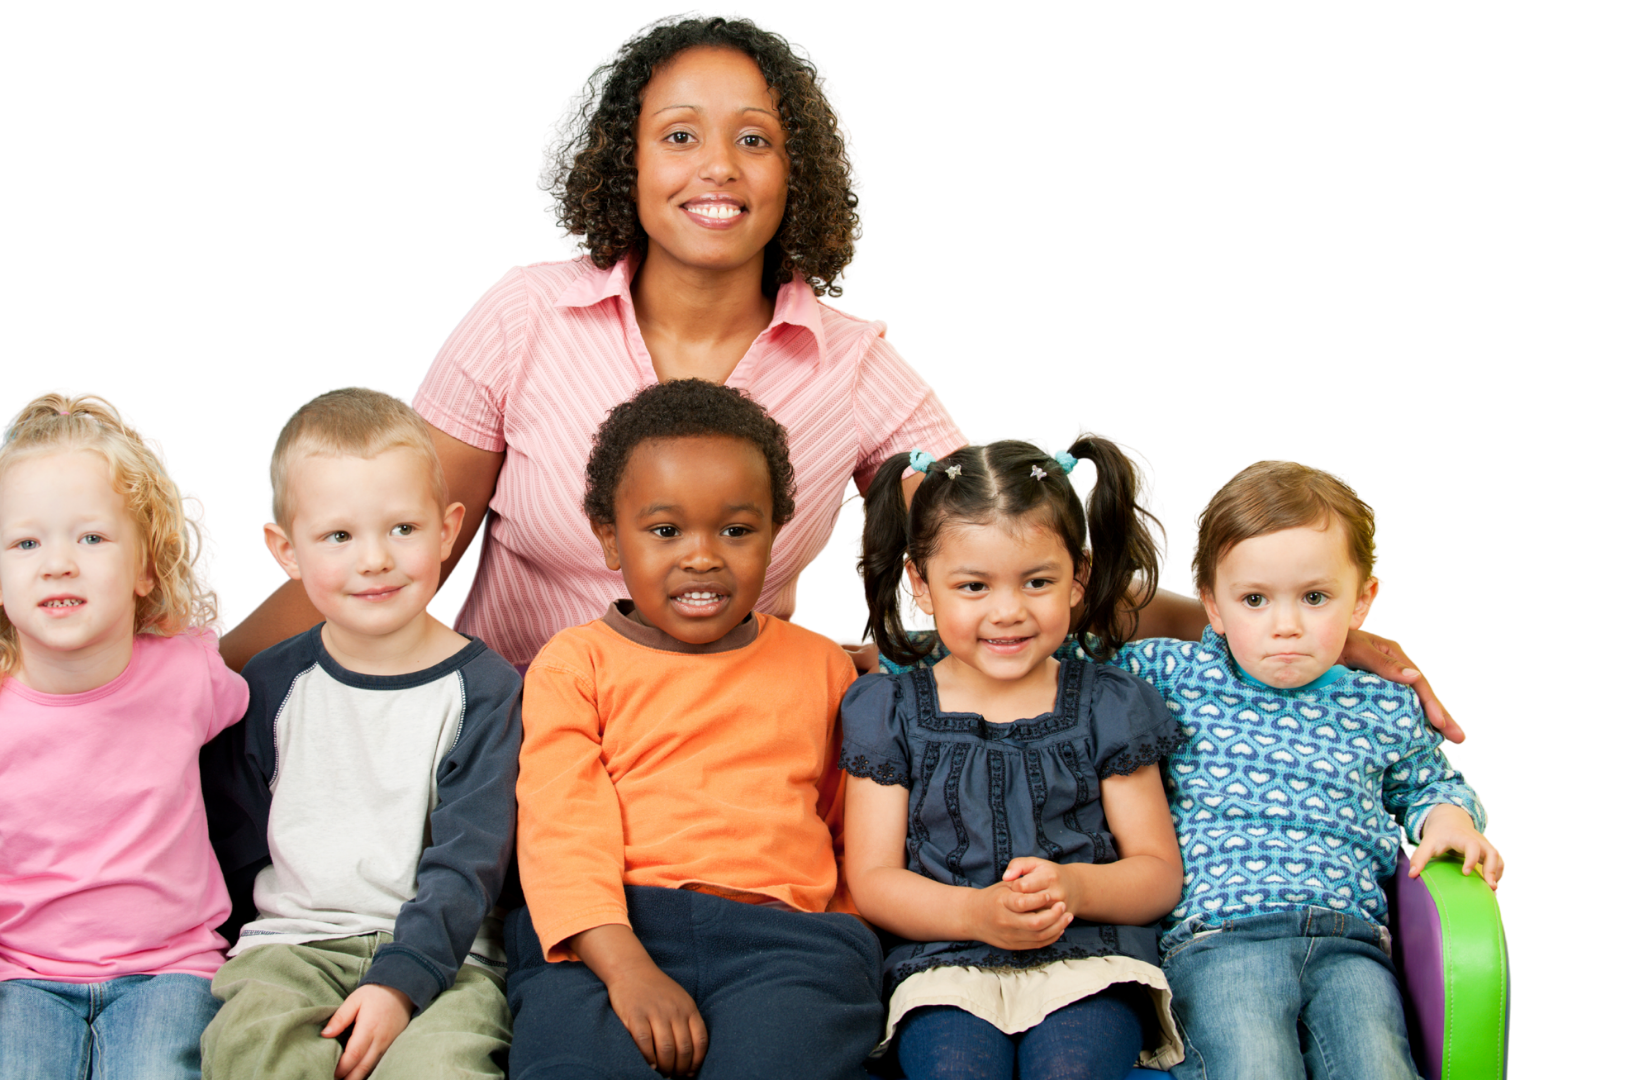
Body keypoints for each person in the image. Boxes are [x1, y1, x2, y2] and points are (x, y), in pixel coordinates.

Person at [218, 11, 969, 676]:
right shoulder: (525, 315)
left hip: (721, 752)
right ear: (627, 163)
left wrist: (904, 670)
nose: (718, 166)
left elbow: (999, 539)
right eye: (679, 136)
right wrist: (199, 686)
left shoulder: (857, 361)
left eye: (754, 139)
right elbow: (380, 552)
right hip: (507, 755)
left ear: (795, 173)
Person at [507, 379, 884, 1079]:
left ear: (775, 532)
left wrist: (849, 933)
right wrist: (624, 966)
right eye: (665, 530)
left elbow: (848, 822)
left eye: (736, 530)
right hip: (607, 932)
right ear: (610, 539)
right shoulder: (574, 663)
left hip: (786, 942)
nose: (703, 555)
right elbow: (560, 826)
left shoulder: (821, 665)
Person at [1078, 458, 1500, 1080]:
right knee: (1251, 1066)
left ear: (1363, 599)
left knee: (1378, 1064)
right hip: (1218, 938)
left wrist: (1450, 818)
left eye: (1315, 597)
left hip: (1351, 940)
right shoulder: (1172, 673)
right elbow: (1057, 642)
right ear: (1212, 606)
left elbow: (1427, 784)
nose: (1285, 626)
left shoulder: (1382, 701)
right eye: (1253, 599)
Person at [0, 388, 243, 1080]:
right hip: (15, 979)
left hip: (172, 972)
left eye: (93, 536)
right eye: (26, 542)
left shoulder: (190, 674)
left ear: (145, 567)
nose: (59, 562)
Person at [198, 387, 520, 1080]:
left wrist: (402, 982)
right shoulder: (268, 683)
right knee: (247, 1049)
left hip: (448, 956)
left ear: (446, 528)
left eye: (402, 529)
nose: (375, 559)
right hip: (293, 947)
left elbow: (473, 859)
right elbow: (233, 830)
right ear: (285, 550)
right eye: (339, 536)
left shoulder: (487, 691)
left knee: (444, 1067)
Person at [842, 433, 1187, 1079]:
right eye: (973, 585)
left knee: (1072, 1068)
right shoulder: (888, 710)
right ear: (921, 587)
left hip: (1088, 959)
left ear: (1078, 579)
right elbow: (873, 880)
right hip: (944, 960)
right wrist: (974, 913)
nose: (1007, 612)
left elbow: (1157, 875)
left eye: (1037, 581)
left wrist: (1078, 886)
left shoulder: (1108, 703)